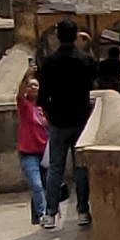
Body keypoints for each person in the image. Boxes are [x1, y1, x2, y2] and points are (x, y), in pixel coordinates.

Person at [37, 20, 98, 228]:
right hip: (80, 119)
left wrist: (49, 116)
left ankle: (50, 213)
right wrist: (88, 47)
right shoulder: (83, 60)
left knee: (56, 168)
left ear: (57, 35)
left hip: (58, 120)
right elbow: (94, 75)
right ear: (75, 36)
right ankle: (82, 210)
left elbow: (43, 95)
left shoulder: (50, 62)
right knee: (81, 168)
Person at [17, 71, 51, 229]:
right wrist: (25, 77)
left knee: (44, 187)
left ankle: (38, 215)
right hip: (28, 153)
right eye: (30, 86)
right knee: (37, 185)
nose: (33, 88)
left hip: (44, 152)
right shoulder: (25, 106)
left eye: (35, 85)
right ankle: (43, 214)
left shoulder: (45, 108)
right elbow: (19, 93)